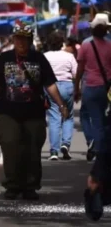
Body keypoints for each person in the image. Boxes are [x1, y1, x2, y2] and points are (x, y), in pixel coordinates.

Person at [0, 21, 67, 201]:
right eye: (18, 39)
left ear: (30, 41)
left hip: (34, 112)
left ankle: (30, 186)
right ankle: (13, 185)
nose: (21, 43)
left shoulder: (39, 59)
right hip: (8, 112)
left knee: (33, 149)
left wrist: (61, 104)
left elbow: (50, 84)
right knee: (10, 145)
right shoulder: (4, 59)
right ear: (14, 39)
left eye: (25, 40)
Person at [75, 13, 111, 162]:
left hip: (89, 86)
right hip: (105, 88)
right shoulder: (110, 46)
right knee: (101, 118)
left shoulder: (85, 45)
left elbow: (80, 68)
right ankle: (97, 144)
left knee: (89, 116)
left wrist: (76, 86)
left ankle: (95, 145)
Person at [43, 31, 77, 160]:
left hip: (51, 87)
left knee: (54, 118)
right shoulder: (69, 56)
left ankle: (54, 151)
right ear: (62, 43)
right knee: (68, 116)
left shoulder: (45, 56)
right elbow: (75, 73)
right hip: (67, 86)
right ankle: (66, 144)